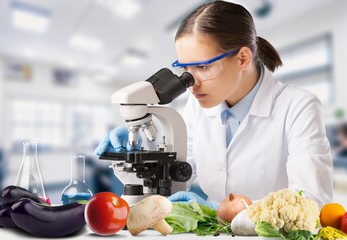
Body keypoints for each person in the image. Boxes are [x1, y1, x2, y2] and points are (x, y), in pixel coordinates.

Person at [95, 1, 333, 209]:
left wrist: (226, 211)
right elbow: (176, 177)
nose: (191, 82)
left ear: (242, 58)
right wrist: (139, 157)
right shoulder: (196, 107)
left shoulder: (298, 107)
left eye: (203, 67)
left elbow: (312, 200)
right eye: (186, 69)